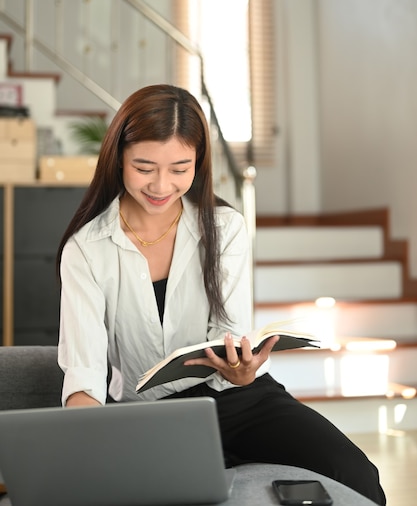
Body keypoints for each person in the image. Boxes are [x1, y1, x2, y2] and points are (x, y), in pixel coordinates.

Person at [57, 84, 386, 505]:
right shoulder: (86, 249)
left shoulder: (224, 227)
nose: (161, 185)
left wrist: (242, 369)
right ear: (118, 158)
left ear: (199, 162)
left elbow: (229, 331)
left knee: (356, 474)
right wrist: (85, 446)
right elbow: (83, 372)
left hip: (238, 398)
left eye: (180, 168)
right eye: (144, 167)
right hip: (150, 414)